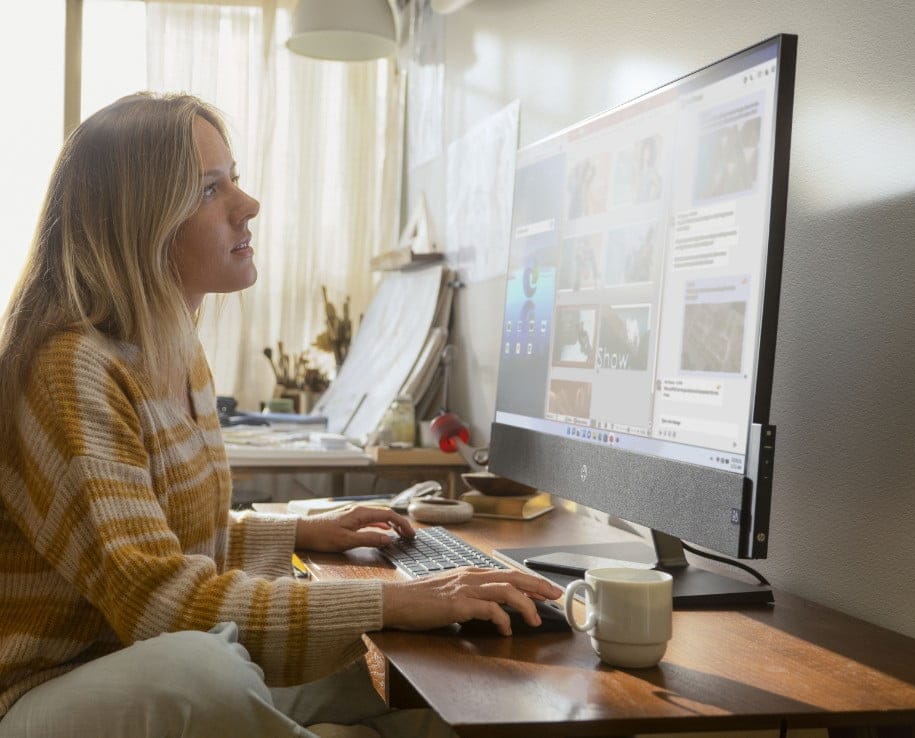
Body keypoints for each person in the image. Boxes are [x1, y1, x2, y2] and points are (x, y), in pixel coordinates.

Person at [0, 92, 563, 738]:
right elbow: (158, 602)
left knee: (428, 667)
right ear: (140, 220)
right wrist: (399, 599)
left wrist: (299, 536)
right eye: (212, 189)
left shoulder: (176, 354)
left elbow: (175, 542)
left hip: (127, 657)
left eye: (233, 178)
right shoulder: (69, 369)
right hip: (42, 692)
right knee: (205, 672)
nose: (248, 205)